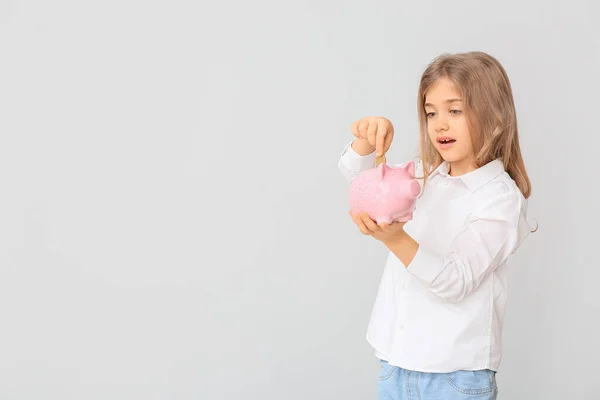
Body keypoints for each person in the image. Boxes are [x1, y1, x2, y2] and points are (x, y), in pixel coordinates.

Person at [338, 51, 535, 400]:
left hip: (454, 378)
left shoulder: (499, 199)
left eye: (454, 110)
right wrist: (368, 137)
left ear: (495, 118)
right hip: (395, 364)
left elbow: (454, 281)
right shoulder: (424, 175)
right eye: (431, 113)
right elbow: (359, 180)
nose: (439, 124)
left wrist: (394, 239)